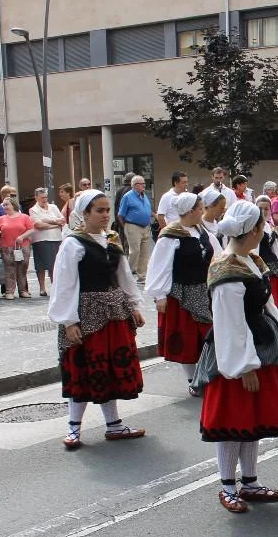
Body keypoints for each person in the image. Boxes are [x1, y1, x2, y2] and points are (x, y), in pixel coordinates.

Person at [200, 200, 278, 513]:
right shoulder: (228, 270)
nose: (265, 228)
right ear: (255, 229)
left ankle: (250, 482)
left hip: (259, 350)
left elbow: (264, 305)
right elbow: (229, 323)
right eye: (263, 223)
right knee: (233, 422)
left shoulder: (248, 260)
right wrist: (244, 367)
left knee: (251, 421)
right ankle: (228, 486)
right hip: (237, 356)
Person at [48, 189, 146, 450]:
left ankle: (114, 425)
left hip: (114, 314)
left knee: (109, 370)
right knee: (82, 369)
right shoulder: (73, 244)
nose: (105, 215)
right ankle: (74, 427)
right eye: (99, 211)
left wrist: (134, 305)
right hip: (87, 314)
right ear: (85, 213)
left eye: (107, 210)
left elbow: (124, 276)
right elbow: (65, 284)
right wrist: (69, 321)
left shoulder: (111, 240)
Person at [145, 192, 220, 395]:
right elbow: (160, 266)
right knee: (188, 339)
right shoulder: (171, 236)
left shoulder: (202, 232)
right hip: (182, 294)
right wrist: (160, 295)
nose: (202, 211)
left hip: (204, 291)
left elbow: (218, 255)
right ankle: (193, 380)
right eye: (200, 208)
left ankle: (208, 374)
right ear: (189, 211)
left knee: (208, 335)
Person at [0, 197, 35, 299]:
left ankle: (23, 290)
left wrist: (22, 237)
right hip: (6, 247)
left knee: (22, 268)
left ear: (13, 205)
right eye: (4, 205)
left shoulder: (24, 217)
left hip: (22, 246)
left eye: (7, 204)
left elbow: (31, 229)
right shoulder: (1, 218)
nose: (5, 207)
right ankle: (9, 291)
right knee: (9, 269)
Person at [255, 194, 278, 315]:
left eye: (266, 209)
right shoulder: (254, 227)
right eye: (260, 208)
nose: (263, 211)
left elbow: (275, 249)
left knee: (274, 303)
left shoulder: (269, 226)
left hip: (272, 266)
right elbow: (254, 251)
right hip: (261, 267)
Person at [29, 187, 65, 297]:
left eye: (46, 197)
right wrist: (55, 224)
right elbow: (38, 225)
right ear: (36, 198)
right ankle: (42, 288)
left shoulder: (53, 207)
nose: (44, 200)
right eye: (42, 198)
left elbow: (62, 220)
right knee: (41, 265)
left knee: (54, 265)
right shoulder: (33, 210)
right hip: (41, 240)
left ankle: (55, 286)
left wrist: (48, 221)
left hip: (56, 238)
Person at [120, 175, 155, 282]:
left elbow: (147, 210)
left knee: (144, 252)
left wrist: (153, 216)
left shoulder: (144, 196)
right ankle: (128, 274)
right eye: (142, 184)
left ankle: (142, 276)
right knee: (135, 251)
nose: (144, 185)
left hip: (145, 227)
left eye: (144, 183)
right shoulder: (127, 196)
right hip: (132, 226)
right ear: (135, 185)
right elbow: (121, 214)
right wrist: (126, 227)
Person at [112, 172, 135, 252]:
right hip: (129, 222)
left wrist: (117, 221)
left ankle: (124, 255)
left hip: (120, 220)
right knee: (129, 244)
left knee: (123, 242)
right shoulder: (132, 191)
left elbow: (116, 206)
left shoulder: (119, 190)